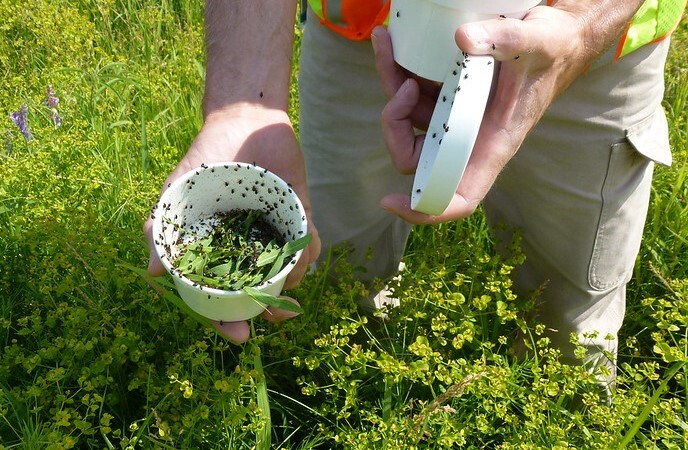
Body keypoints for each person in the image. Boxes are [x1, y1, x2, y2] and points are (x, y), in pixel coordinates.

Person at [143, 0, 684, 386]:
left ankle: (568, 415)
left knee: (567, 318)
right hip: (368, 25)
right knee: (337, 265)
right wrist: (246, 100)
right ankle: (354, 373)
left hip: (591, 44)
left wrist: (583, 25)